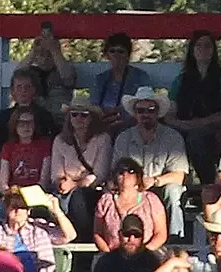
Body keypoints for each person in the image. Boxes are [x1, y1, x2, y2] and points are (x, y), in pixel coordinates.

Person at [111, 87, 190, 240]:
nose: (145, 114)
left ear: (158, 112)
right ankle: (119, 240)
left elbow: (180, 175)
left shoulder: (173, 137)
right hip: (131, 189)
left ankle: (176, 240)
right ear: (135, 113)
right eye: (141, 110)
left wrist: (154, 181)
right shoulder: (123, 138)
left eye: (150, 110)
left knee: (173, 191)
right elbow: (116, 171)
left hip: (160, 189)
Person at [165, 30, 221, 185]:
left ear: (213, 51)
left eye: (208, 46)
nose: (203, 49)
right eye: (198, 45)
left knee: (196, 138)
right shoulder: (181, 79)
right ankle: (176, 182)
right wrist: (182, 124)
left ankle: (208, 185)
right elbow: (170, 112)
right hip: (185, 125)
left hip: (216, 127)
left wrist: (201, 122)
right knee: (167, 135)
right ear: (192, 50)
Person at [51, 100, 111, 242]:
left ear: (92, 118)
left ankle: (83, 241)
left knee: (79, 196)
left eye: (84, 115)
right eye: (74, 114)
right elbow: (55, 173)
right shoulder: (60, 140)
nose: (78, 119)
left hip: (93, 190)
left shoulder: (103, 139)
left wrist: (74, 184)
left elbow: (100, 174)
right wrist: (63, 182)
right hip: (65, 190)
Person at [95, 158, 168, 253]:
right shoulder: (105, 201)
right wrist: (109, 255)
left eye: (131, 171)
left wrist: (145, 252)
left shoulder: (151, 200)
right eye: (121, 172)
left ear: (138, 176)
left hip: (147, 256)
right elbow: (97, 233)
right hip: (112, 257)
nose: (125, 174)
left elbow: (161, 233)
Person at [92, 32, 151, 132]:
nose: (116, 55)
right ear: (107, 55)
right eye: (112, 51)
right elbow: (94, 107)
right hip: (104, 127)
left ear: (128, 55)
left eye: (121, 51)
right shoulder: (100, 79)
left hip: (133, 128)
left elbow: (145, 105)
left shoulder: (140, 77)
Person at [0, 67, 59, 151]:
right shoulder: (3, 117)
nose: (23, 90)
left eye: (27, 86)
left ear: (34, 90)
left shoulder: (44, 116)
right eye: (19, 87)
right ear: (12, 91)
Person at [20, 22, 76, 120]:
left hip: (59, 120)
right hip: (34, 121)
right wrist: (33, 52)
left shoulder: (64, 69)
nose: (45, 57)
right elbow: (16, 76)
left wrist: (54, 50)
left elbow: (68, 77)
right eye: (42, 54)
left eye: (48, 54)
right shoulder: (30, 72)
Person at [0, 106, 53, 195]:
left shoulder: (45, 144)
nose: (26, 127)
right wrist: (10, 193)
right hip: (14, 194)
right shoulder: (8, 147)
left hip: (37, 193)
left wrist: (28, 195)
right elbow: (2, 183)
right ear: (14, 125)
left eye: (30, 122)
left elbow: (44, 181)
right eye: (21, 123)